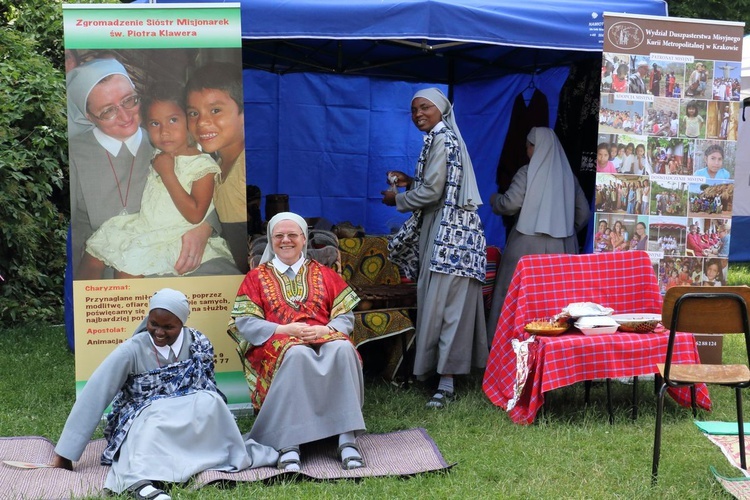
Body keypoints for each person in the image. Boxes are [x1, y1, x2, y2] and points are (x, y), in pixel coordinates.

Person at [51, 288, 277, 498]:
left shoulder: (198, 343)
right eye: (153, 324)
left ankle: (211, 455)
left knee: (211, 401)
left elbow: (206, 383)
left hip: (189, 415)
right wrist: (67, 452)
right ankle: (139, 482)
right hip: (146, 416)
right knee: (155, 415)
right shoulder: (131, 350)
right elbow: (95, 394)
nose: (158, 332)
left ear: (182, 323)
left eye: (168, 327)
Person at [228, 212, 366, 471]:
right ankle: (289, 444)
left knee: (343, 348)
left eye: (292, 235)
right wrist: (284, 328)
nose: (286, 240)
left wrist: (327, 330)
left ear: (304, 239)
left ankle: (346, 440)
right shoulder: (255, 277)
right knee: (296, 354)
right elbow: (246, 323)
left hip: (323, 335)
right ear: (271, 240)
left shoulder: (326, 274)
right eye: (279, 236)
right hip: (279, 339)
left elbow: (345, 316)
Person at [67, 59, 228, 279]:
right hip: (102, 262)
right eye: (107, 112)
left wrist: (206, 226)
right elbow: (70, 230)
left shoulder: (165, 143)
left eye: (129, 101)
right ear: (89, 117)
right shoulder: (73, 154)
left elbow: (210, 192)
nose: (125, 117)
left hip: (173, 252)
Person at [382, 88, 488, 407]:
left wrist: (398, 199)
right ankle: (440, 377)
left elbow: (432, 193)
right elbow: (439, 187)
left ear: (441, 110)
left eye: (424, 108)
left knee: (447, 307)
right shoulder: (440, 138)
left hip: (450, 238)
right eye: (413, 110)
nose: (418, 115)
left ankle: (446, 384)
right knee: (443, 303)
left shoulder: (442, 139)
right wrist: (410, 182)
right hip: (446, 230)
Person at [486, 127, 590, 340]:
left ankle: (507, 341)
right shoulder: (568, 176)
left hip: (526, 245)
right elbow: (584, 213)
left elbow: (510, 204)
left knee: (514, 295)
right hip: (563, 248)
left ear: (538, 147)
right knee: (555, 299)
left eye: (529, 146)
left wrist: (495, 200)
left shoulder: (527, 172)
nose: (526, 151)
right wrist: (566, 229)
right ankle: (553, 344)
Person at [186, 62, 249, 274]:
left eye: (215, 110)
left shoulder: (246, 169)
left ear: (243, 113)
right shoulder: (216, 167)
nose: (202, 122)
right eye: (193, 113)